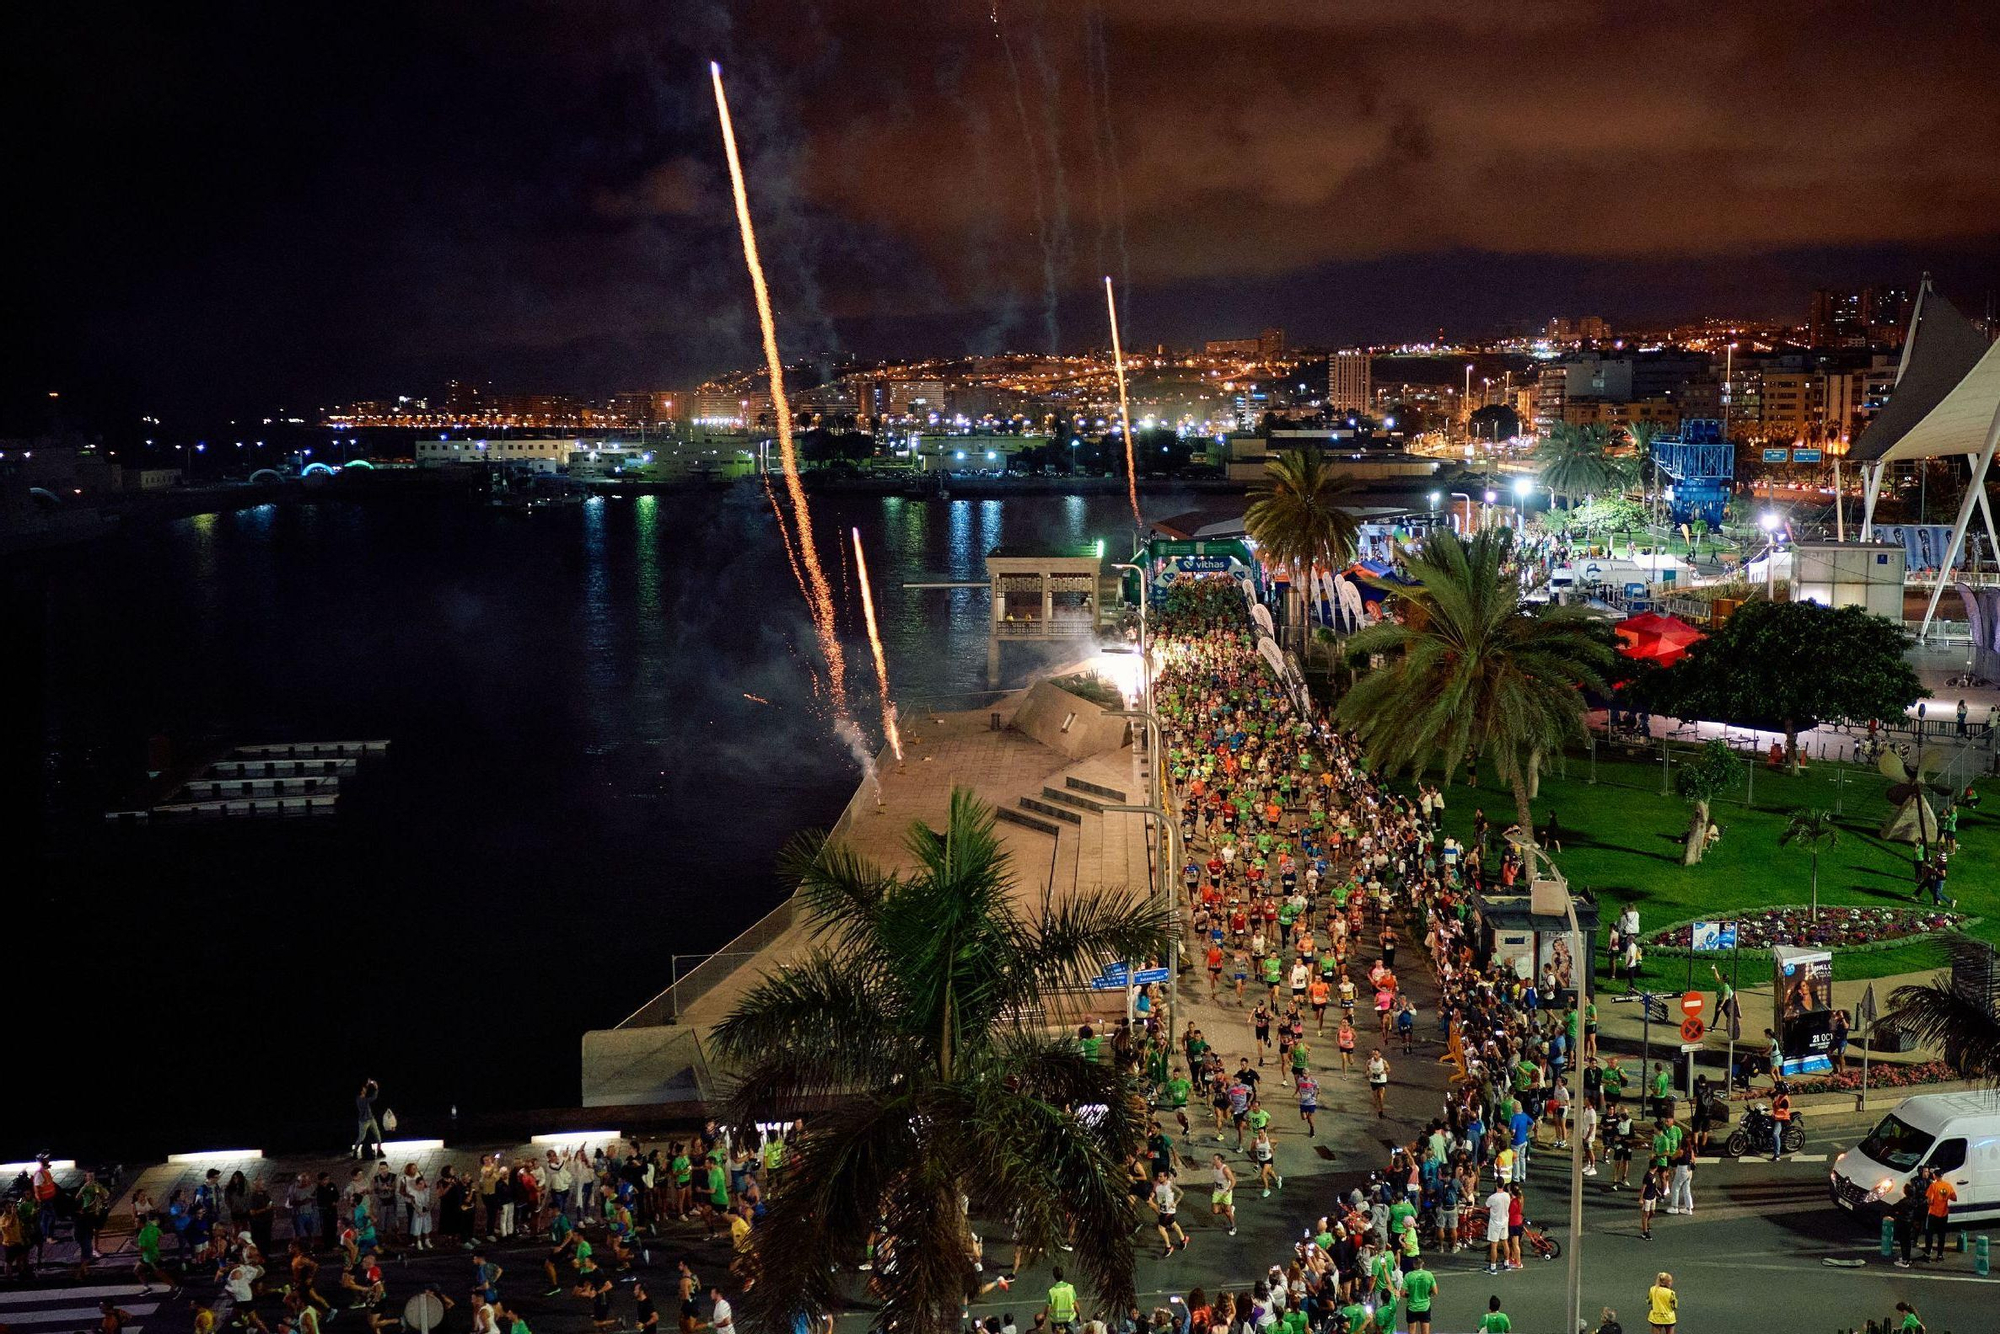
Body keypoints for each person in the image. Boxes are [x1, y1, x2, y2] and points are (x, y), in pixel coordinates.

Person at [1150, 1172, 1187, 1258]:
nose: (1159, 1178)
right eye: (1158, 1176)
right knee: (1173, 1224)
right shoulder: (1157, 1185)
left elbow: (1181, 1193)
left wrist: (1175, 1203)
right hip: (1162, 1209)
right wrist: (1153, 1194)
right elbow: (1156, 1193)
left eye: (1161, 1176)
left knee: (1161, 1228)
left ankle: (1168, 1247)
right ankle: (1183, 1239)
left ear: (1166, 1177)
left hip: (1169, 1210)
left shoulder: (1170, 1185)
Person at [1924, 1166, 1957, 1261]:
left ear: (1934, 1176)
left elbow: (1930, 1201)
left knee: (1929, 1235)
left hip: (1933, 1214)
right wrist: (1944, 1197)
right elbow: (1954, 1198)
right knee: (1941, 1236)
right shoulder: (1948, 1185)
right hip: (1944, 1214)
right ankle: (1940, 1255)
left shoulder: (1933, 1186)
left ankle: (1927, 1255)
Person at [1402, 1259, 1436, 1334]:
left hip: (1412, 1307)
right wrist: (1427, 1294)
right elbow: (1435, 1292)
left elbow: (1402, 1293)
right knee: (1425, 1332)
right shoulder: (1429, 1275)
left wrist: (1409, 1296)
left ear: (1414, 1265)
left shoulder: (1408, 1276)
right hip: (1425, 1307)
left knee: (1411, 1331)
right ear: (1422, 1264)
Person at [354, 1080, 384, 1161]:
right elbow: (373, 1097)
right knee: (361, 1138)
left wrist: (368, 1084)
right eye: (364, 1089)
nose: (365, 1090)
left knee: (378, 1135)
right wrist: (376, 1088)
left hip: (371, 1119)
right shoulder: (361, 1100)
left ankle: (379, 1151)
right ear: (361, 1092)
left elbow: (366, 1092)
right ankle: (355, 1152)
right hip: (364, 1121)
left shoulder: (362, 1097)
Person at [1045, 1267, 1079, 1334]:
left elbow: (1047, 1308)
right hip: (1069, 1319)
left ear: (1054, 1276)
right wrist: (1079, 1314)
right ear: (1063, 1275)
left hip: (1056, 1320)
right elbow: (1076, 1305)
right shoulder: (1070, 1288)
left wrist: (1044, 1317)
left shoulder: (1052, 1291)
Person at [1367, 1049, 1390, 1118]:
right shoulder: (1369, 1061)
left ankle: (1381, 1111)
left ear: (1379, 1054)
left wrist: (1384, 1072)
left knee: (1380, 1096)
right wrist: (1368, 1073)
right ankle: (1378, 1109)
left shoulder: (1383, 1062)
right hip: (1373, 1081)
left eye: (1376, 1054)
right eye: (1373, 1054)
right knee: (1375, 1098)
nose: (1375, 1056)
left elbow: (1388, 1069)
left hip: (1382, 1080)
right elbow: (1367, 1070)